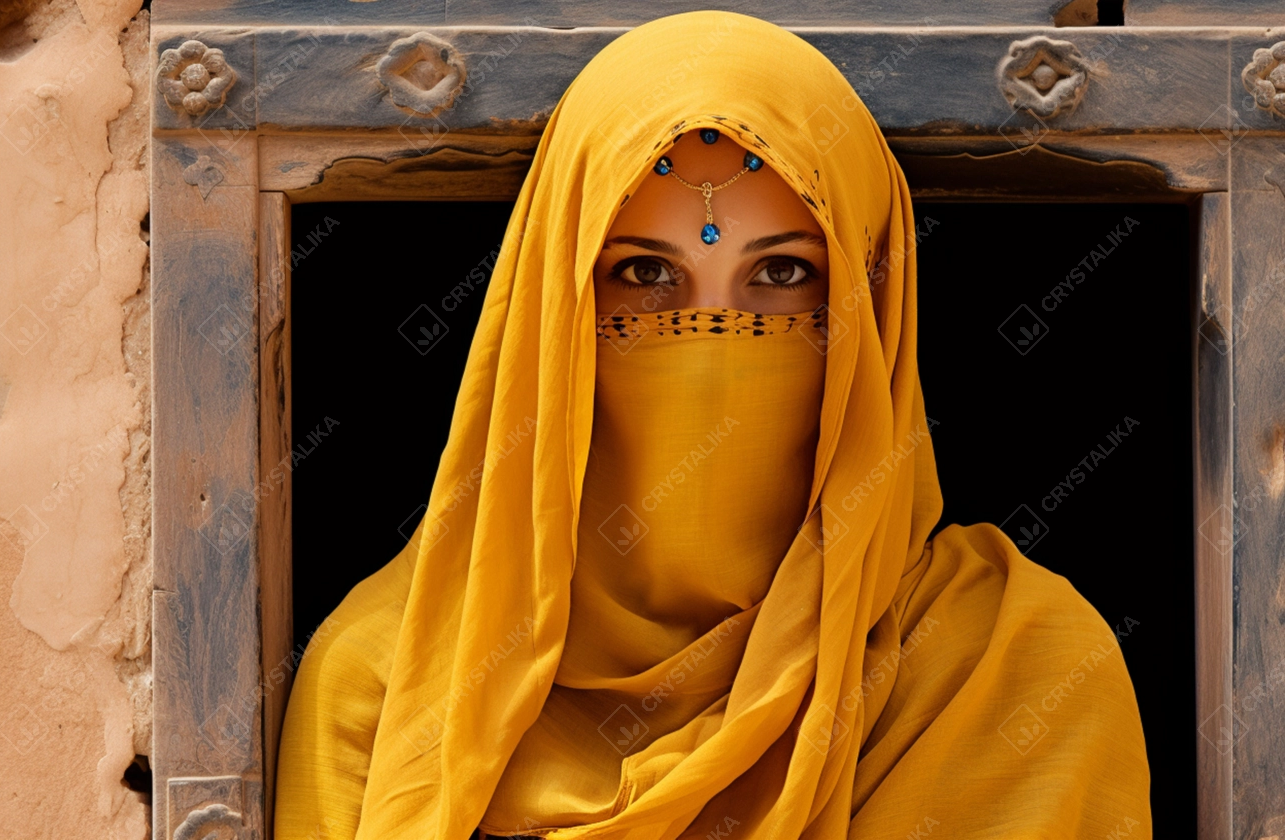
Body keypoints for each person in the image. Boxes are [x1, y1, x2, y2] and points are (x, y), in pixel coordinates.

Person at [276, 11, 1151, 839]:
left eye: (780, 275)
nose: (712, 335)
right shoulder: (386, 685)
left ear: (870, 307)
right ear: (556, 313)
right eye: (644, 273)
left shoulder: (1008, 668)